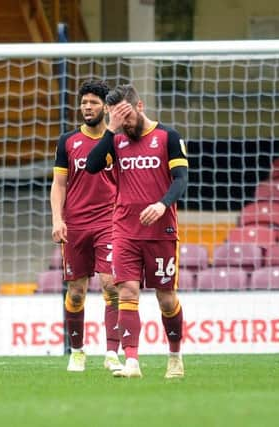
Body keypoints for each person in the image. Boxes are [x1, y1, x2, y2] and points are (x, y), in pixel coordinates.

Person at [86, 84, 188, 379]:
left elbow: (181, 179)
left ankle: (174, 357)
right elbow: (92, 166)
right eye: (118, 118)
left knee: (166, 298)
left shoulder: (167, 136)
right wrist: (110, 130)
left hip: (161, 230)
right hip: (125, 231)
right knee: (127, 291)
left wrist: (162, 203)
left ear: (140, 106)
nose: (125, 124)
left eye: (128, 116)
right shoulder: (115, 140)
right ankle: (131, 362)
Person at [50, 80, 123, 372]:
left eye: (93, 102)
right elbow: (58, 184)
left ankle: (112, 352)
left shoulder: (118, 140)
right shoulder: (67, 141)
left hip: (109, 221)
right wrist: (57, 219)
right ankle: (77, 351)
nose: (87, 107)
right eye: (84, 103)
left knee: (111, 286)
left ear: (105, 107)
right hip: (76, 224)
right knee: (77, 291)